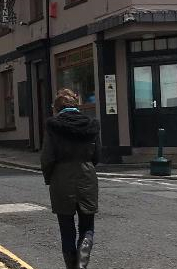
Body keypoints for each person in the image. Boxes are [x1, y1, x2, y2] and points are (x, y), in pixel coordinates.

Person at [41, 89, 101, 269]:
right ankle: (82, 264)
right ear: (76, 105)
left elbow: (47, 158)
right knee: (87, 225)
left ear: (57, 108)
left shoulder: (53, 126)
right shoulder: (91, 124)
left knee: (66, 227)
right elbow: (97, 154)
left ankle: (71, 266)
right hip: (87, 176)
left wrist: (49, 178)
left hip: (61, 177)